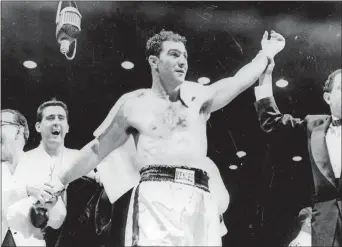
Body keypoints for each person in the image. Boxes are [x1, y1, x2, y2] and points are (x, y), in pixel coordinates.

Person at [50, 29, 286, 246]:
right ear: (154, 61)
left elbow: (238, 81)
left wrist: (266, 53)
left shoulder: (200, 97)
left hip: (199, 194)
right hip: (155, 197)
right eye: (174, 54)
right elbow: (97, 150)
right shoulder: (134, 107)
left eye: (184, 55)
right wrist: (60, 182)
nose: (182, 61)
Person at [254, 59, 341, 246]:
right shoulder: (313, 125)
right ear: (328, 98)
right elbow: (272, 122)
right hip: (324, 226)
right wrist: (265, 76)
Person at [23, 99, 101, 247]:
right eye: (50, 118)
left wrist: (100, 176)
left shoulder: (81, 160)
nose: (56, 122)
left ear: (67, 127)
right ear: (38, 126)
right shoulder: (24, 160)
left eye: (61, 118)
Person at [1, 109, 59, 246]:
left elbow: (58, 222)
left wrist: (51, 207)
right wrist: (26, 190)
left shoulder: (43, 166)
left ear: (18, 131)